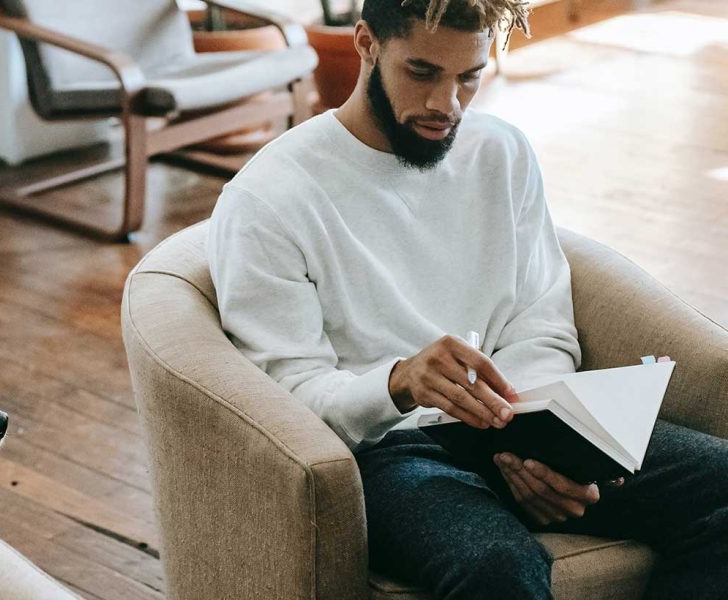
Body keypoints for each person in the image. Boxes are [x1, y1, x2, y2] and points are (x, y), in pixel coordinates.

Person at [206, 0, 728, 598]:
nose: (446, 104)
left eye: (469, 77)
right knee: (497, 567)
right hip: (388, 450)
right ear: (366, 43)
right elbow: (285, 398)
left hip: (516, 424)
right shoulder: (269, 198)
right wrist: (398, 382)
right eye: (422, 72)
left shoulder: (500, 152)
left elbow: (542, 322)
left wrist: (534, 449)